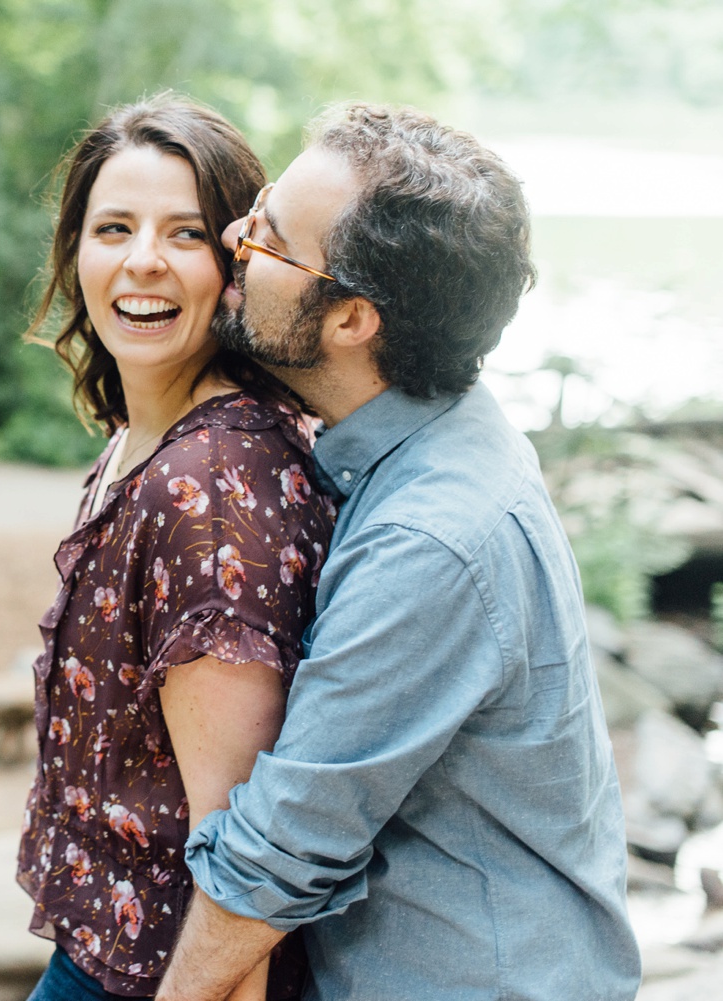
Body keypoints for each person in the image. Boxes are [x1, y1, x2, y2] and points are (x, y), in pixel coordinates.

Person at [155, 103, 641, 1001]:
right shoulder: (445, 432)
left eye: (267, 235)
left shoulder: (431, 539)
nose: (233, 234)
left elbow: (283, 849)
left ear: (349, 321)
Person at [16, 95, 335, 1001]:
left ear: (235, 263)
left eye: (185, 233)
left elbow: (242, 866)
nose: (142, 259)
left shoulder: (209, 490)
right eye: (112, 226)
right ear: (75, 250)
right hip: (100, 956)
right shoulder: (143, 436)